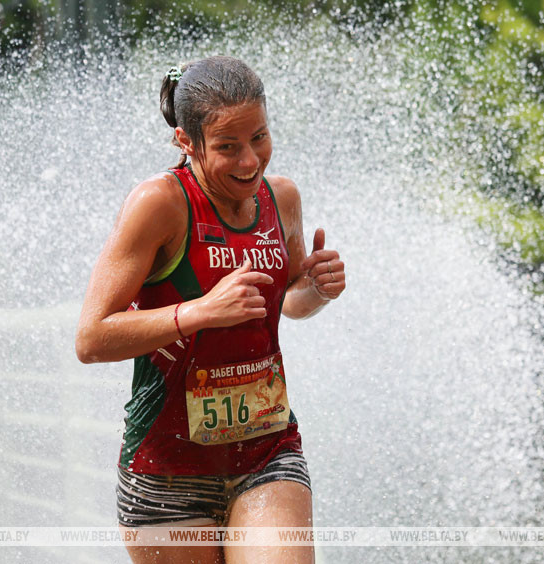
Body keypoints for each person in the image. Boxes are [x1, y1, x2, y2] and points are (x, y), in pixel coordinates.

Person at [76, 56, 345, 564]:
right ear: (186, 142)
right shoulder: (159, 204)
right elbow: (91, 338)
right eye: (227, 147)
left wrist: (316, 288)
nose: (250, 161)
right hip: (166, 472)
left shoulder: (280, 197)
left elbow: (285, 302)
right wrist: (195, 312)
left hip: (268, 452)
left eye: (259, 138)